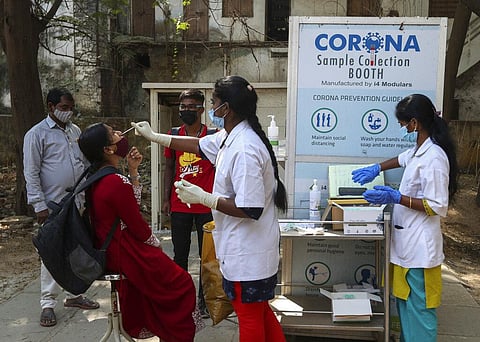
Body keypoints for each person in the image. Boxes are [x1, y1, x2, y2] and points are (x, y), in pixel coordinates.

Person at [132, 75, 288, 342]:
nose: (211, 108)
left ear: (225, 108)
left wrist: (206, 198)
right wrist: (155, 137)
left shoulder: (245, 148)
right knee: (259, 312)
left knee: (249, 317)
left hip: (248, 252)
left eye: (213, 102)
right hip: (246, 249)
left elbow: (250, 208)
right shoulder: (230, 136)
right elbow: (198, 145)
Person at [78, 122, 200, 341]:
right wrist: (155, 242)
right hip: (124, 250)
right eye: (113, 133)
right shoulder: (114, 181)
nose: (119, 133)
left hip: (113, 248)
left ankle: (166, 332)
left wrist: (133, 171)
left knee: (161, 288)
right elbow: (136, 223)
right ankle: (173, 335)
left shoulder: (101, 177)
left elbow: (127, 208)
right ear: (108, 149)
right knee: (181, 283)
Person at [351, 94, 458, 342]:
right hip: (405, 248)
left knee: (420, 311)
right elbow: (402, 158)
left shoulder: (434, 158)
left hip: (420, 251)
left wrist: (398, 198)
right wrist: (377, 167)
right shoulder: (420, 148)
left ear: (415, 123)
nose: (401, 127)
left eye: (403, 123)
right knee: (405, 305)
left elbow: (438, 205)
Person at [23, 88, 99, 328]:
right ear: (51, 106)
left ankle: (74, 295)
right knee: (52, 251)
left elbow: (82, 162)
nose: (68, 112)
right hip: (53, 205)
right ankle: (47, 303)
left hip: (75, 201)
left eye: (70, 108)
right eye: (63, 108)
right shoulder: (37, 134)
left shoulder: (74, 131)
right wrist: (39, 204)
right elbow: (31, 171)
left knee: (75, 247)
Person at [164, 89, 216, 317]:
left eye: (191, 107)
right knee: (180, 256)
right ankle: (181, 299)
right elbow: (169, 167)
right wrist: (166, 198)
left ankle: (204, 302)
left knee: (207, 258)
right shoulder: (174, 134)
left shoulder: (213, 136)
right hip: (179, 205)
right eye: (183, 107)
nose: (186, 110)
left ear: (201, 109)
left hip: (206, 205)